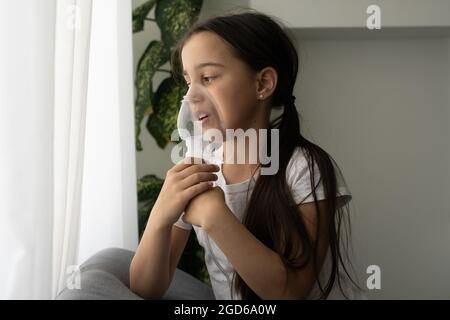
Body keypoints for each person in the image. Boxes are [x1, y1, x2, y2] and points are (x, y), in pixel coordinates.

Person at [129, 10, 365, 300]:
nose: (190, 97)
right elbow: (144, 289)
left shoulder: (303, 169)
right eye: (189, 81)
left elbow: (288, 292)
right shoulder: (199, 166)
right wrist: (160, 217)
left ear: (262, 84)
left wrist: (215, 215)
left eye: (209, 77)